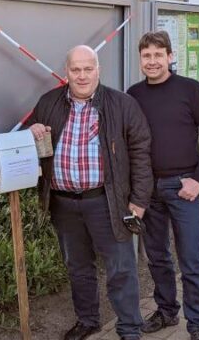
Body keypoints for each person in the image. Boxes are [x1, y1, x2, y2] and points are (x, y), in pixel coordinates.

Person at [26, 45, 153, 340]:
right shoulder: (49, 102)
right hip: (64, 203)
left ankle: (129, 328)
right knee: (77, 266)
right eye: (75, 70)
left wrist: (139, 200)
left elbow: (141, 154)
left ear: (98, 69)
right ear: (66, 72)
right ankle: (87, 320)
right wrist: (31, 130)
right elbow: (28, 138)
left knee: (121, 268)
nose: (82, 76)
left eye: (88, 69)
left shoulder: (122, 104)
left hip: (108, 202)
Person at [127, 31, 199, 340]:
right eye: (146, 56)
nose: (152, 61)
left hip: (183, 187)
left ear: (170, 56)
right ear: (140, 59)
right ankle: (167, 311)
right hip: (147, 190)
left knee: (191, 259)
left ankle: (198, 325)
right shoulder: (134, 94)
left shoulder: (190, 90)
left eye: (158, 55)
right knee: (157, 256)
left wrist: (197, 180)